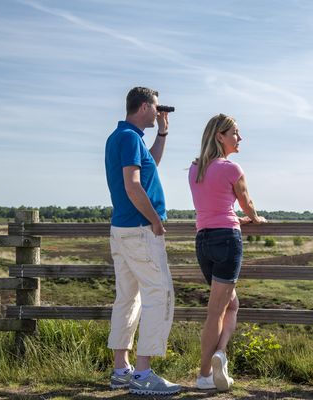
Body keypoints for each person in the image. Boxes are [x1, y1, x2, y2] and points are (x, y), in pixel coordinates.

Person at [104, 86, 180, 395]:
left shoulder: (121, 137)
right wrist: (155, 221)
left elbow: (149, 169)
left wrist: (162, 135)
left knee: (128, 297)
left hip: (122, 229)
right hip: (139, 230)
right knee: (159, 294)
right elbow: (134, 186)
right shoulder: (129, 138)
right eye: (156, 107)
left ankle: (122, 369)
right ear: (144, 107)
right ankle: (144, 372)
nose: (159, 111)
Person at [188, 113, 267, 391]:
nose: (239, 138)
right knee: (215, 311)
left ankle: (221, 355)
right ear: (220, 136)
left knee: (230, 305)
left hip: (203, 241)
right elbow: (246, 203)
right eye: (235, 132)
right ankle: (205, 373)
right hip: (226, 240)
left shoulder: (195, 168)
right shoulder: (232, 169)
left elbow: (211, 201)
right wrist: (256, 219)